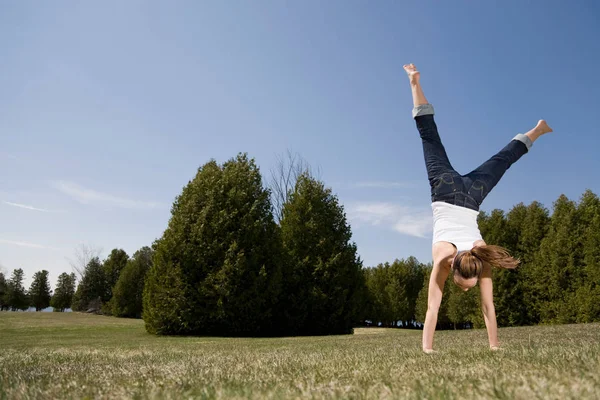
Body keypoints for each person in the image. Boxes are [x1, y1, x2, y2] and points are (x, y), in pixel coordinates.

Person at [403, 63, 552, 353]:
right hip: (456, 193)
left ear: (458, 267)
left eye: (462, 285)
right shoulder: (463, 259)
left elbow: (441, 309)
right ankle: (414, 83)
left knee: (501, 161)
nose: (462, 289)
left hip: (464, 195)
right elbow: (481, 306)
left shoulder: (460, 259)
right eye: (464, 286)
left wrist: (429, 350)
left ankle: (537, 130)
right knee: (430, 138)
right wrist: (492, 346)